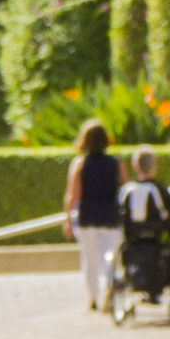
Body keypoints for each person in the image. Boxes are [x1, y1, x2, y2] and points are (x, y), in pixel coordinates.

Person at [66, 118, 122, 312]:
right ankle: (109, 287)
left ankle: (93, 298)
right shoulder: (116, 163)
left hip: (87, 217)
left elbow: (73, 195)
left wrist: (67, 219)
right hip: (110, 217)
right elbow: (124, 189)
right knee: (110, 258)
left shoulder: (80, 164)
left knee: (90, 261)